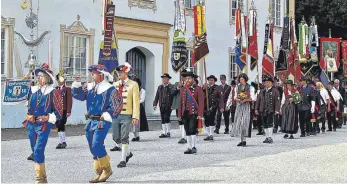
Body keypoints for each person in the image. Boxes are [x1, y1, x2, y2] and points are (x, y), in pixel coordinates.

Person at [71, 64, 122, 183]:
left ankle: (107, 169)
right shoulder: (91, 88)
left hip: (102, 121)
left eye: (94, 73)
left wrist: (108, 114)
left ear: (101, 74)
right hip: (90, 121)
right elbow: (80, 96)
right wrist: (76, 86)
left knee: (96, 144)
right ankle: (99, 171)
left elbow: (118, 105)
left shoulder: (110, 89)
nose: (92, 75)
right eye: (92, 73)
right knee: (91, 145)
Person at [23, 63, 63, 183]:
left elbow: (59, 112)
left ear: (47, 77)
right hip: (31, 125)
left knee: (39, 149)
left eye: (40, 76)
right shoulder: (33, 90)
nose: (38, 78)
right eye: (38, 76)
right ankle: (43, 177)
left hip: (43, 125)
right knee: (34, 150)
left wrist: (48, 117)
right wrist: (28, 115)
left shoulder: (53, 92)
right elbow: (28, 106)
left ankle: (39, 180)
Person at [110, 62, 140, 168]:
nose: (119, 74)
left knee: (124, 137)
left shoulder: (133, 84)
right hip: (115, 115)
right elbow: (111, 101)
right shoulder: (115, 85)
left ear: (126, 73)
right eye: (119, 72)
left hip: (127, 114)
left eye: (121, 72)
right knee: (115, 137)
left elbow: (136, 102)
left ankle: (123, 159)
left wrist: (135, 116)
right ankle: (128, 153)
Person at [177, 70, 204, 154]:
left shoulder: (198, 89)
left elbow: (201, 102)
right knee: (187, 130)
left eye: (189, 78)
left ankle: (194, 147)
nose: (187, 80)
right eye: (186, 78)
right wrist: (179, 114)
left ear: (192, 79)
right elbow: (180, 102)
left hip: (194, 112)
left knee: (192, 129)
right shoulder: (183, 89)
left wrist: (200, 114)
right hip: (185, 113)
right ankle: (189, 147)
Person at [227, 73, 254, 146]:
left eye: (242, 79)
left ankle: (244, 140)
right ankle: (241, 140)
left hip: (246, 106)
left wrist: (245, 100)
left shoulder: (250, 87)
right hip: (239, 106)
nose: (241, 80)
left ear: (245, 79)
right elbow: (235, 97)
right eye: (240, 79)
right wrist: (238, 99)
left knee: (244, 123)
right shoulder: (237, 87)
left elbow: (253, 98)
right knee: (239, 122)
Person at [255, 74, 280, 143]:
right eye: (265, 82)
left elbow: (277, 101)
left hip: (271, 110)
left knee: (270, 123)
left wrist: (277, 110)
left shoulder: (275, 91)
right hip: (263, 109)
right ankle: (266, 137)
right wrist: (256, 109)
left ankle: (270, 137)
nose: (266, 83)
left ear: (271, 83)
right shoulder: (262, 91)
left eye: (267, 82)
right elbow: (258, 100)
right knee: (265, 124)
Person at [55, 70, 73, 149]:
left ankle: (64, 141)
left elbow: (69, 100)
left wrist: (69, 111)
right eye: (58, 79)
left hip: (63, 110)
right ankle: (60, 141)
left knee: (61, 125)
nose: (59, 81)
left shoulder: (67, 89)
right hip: (56, 111)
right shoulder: (55, 89)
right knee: (58, 125)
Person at [203, 75, 224, 141]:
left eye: (212, 80)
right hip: (205, 106)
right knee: (206, 120)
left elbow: (220, 98)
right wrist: (203, 88)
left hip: (213, 106)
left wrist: (221, 106)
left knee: (211, 120)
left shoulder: (217, 87)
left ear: (214, 81)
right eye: (209, 80)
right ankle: (209, 134)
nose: (210, 81)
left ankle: (211, 135)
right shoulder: (205, 87)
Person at [153, 73, 175, 138]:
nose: (164, 80)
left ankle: (168, 132)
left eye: (165, 78)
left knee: (167, 118)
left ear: (168, 79)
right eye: (163, 78)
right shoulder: (160, 87)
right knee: (162, 118)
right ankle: (163, 132)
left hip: (169, 105)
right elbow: (157, 96)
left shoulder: (171, 87)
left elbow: (174, 97)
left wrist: (173, 105)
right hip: (161, 105)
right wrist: (155, 104)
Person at [172, 69, 188, 144]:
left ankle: (187, 136)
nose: (183, 77)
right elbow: (172, 93)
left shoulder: (189, 84)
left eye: (185, 76)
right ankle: (182, 136)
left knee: (186, 121)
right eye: (182, 76)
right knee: (180, 121)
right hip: (179, 105)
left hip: (187, 106)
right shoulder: (177, 83)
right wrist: (178, 87)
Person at [132, 77, 149, 141]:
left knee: (137, 122)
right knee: (132, 122)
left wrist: (136, 102)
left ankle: (137, 136)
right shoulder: (131, 90)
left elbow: (142, 99)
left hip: (138, 107)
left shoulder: (142, 90)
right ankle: (135, 135)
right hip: (132, 107)